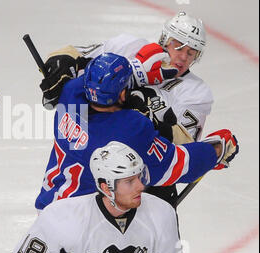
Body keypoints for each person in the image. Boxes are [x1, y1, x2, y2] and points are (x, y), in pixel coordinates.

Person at [38, 11, 215, 207]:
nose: (182, 56)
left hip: (148, 181)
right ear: (165, 39)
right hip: (102, 155)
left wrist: (152, 119)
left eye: (191, 52)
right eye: (178, 45)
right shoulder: (128, 46)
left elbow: (184, 144)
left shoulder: (196, 92)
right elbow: (72, 55)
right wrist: (60, 68)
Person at [34, 52, 238, 211]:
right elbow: (177, 165)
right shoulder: (129, 128)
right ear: (123, 92)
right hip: (86, 226)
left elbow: (93, 79)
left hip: (49, 210)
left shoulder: (70, 94)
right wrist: (218, 148)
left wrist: (137, 72)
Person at [9, 141, 185, 253]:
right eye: (129, 181)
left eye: (140, 177)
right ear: (106, 188)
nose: (140, 186)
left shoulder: (162, 212)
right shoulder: (62, 216)